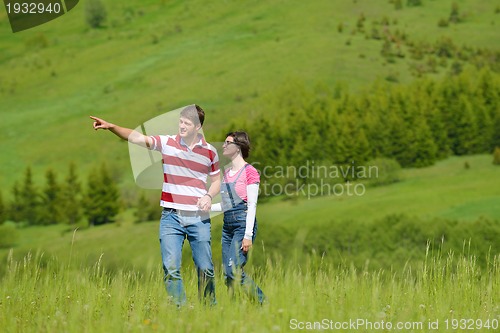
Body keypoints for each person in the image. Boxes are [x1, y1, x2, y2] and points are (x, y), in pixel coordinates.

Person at [90, 105, 220, 306]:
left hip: (198, 217)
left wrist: (209, 196)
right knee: (170, 268)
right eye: (181, 121)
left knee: (205, 268)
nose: (182, 126)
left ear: (198, 127)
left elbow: (217, 181)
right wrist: (112, 126)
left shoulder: (210, 152)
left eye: (187, 123)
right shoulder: (167, 142)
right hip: (171, 218)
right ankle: (180, 312)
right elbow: (136, 138)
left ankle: (209, 309)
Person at [211, 131, 266, 304]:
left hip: (242, 225)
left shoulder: (250, 172)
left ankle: (262, 303)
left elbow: (252, 205)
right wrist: (205, 209)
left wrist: (248, 235)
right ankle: (235, 309)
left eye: (228, 143)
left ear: (238, 147)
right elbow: (226, 205)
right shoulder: (227, 173)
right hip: (227, 227)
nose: (223, 146)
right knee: (228, 274)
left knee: (233, 270)